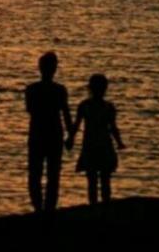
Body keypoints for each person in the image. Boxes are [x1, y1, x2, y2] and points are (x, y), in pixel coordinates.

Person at [66, 73, 125, 205]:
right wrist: (119, 142)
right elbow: (113, 128)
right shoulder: (107, 107)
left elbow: (76, 125)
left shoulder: (85, 105)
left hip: (92, 145)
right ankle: (104, 206)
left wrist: (71, 138)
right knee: (104, 179)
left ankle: (95, 206)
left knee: (93, 180)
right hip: (102, 145)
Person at [25, 51, 72, 213]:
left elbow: (30, 110)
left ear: (40, 68)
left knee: (35, 173)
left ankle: (38, 207)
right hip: (54, 134)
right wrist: (71, 135)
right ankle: (49, 208)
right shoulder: (60, 90)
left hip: (37, 133)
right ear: (54, 69)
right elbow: (66, 114)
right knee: (53, 174)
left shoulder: (31, 89)